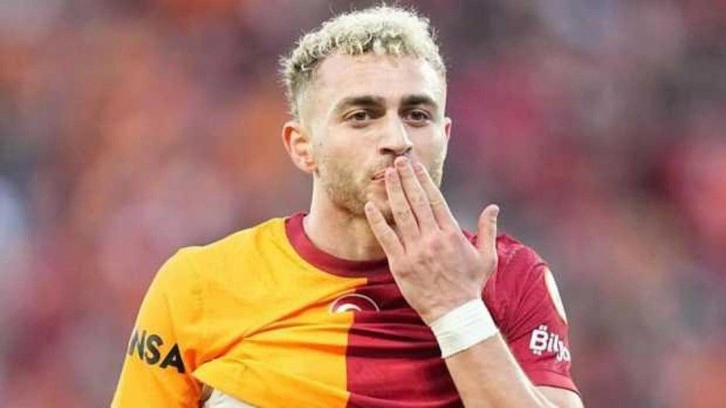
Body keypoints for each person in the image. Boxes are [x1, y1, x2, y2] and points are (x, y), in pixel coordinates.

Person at [112, 5, 583, 407]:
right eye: (361, 116)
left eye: (417, 115)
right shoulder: (198, 285)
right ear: (302, 147)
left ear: (444, 137)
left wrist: (456, 309)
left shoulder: (508, 277)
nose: (397, 139)